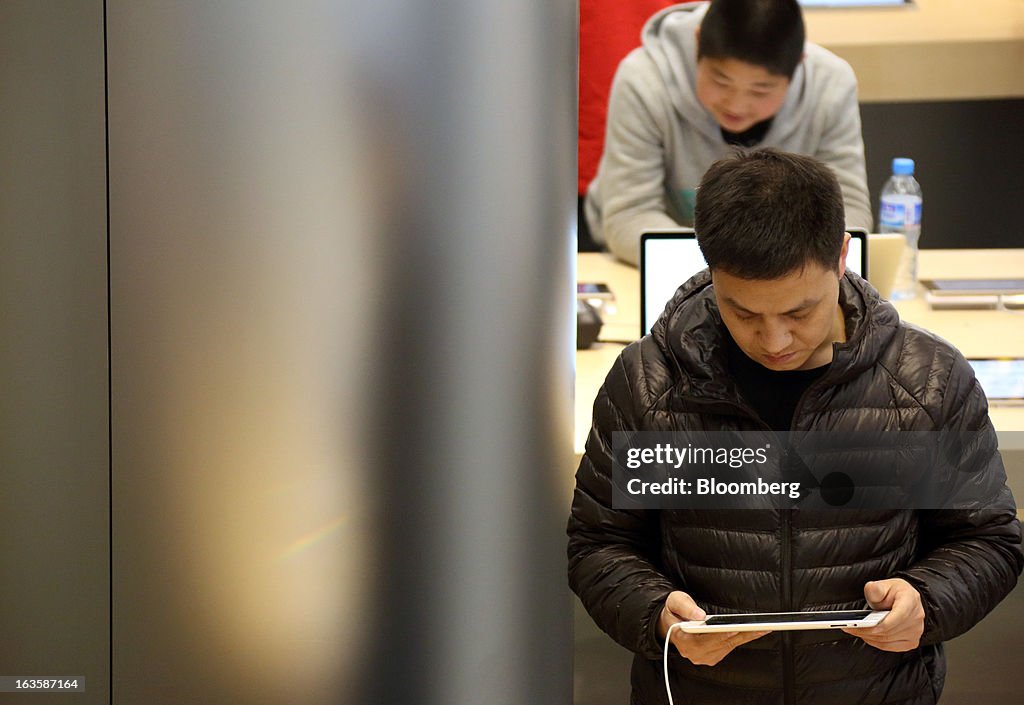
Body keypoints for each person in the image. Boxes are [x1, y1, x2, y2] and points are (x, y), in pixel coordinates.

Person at [567, 148, 1022, 704]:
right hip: (703, 691)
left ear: (842, 257)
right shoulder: (649, 388)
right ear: (710, 270)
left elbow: (987, 539)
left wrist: (926, 600)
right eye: (745, 314)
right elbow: (599, 545)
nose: (775, 341)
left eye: (799, 312)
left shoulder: (925, 383)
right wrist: (659, 616)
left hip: (875, 691)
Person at [584, 0, 872, 265]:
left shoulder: (831, 86)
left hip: (786, 277)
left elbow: (849, 213)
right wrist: (737, 271)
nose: (737, 104)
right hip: (665, 270)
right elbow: (628, 217)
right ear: (698, 43)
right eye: (721, 81)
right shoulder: (643, 79)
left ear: (797, 66)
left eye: (761, 90)